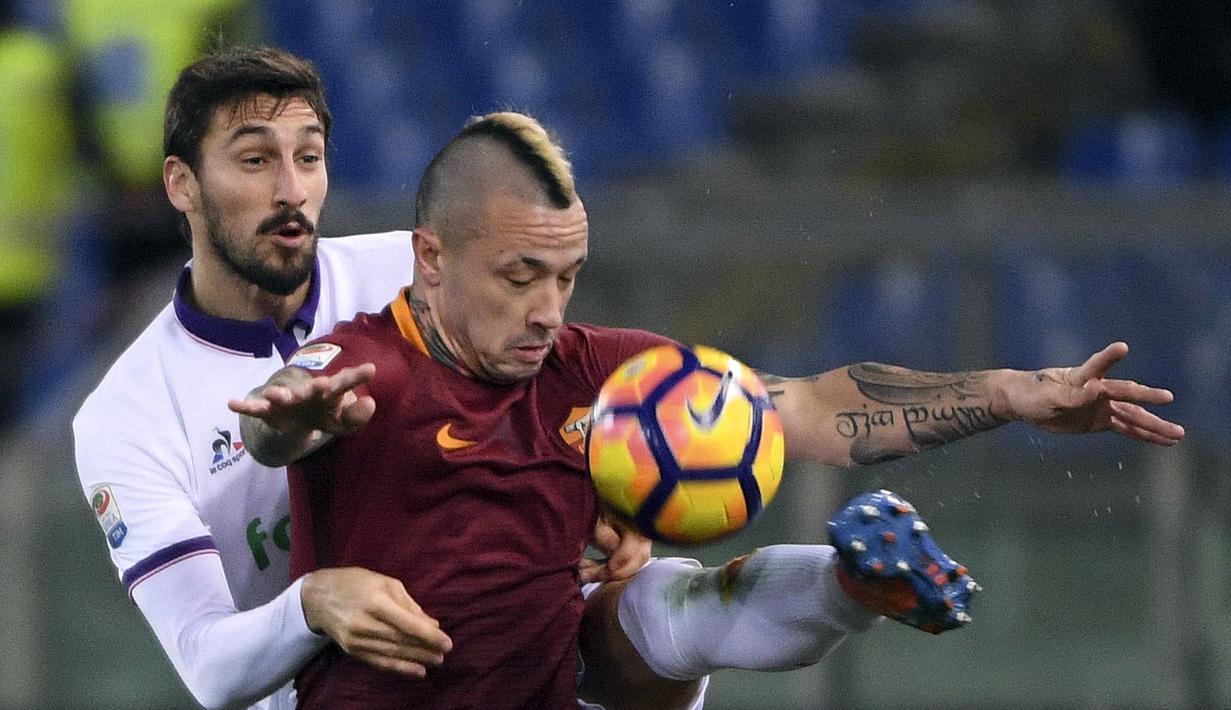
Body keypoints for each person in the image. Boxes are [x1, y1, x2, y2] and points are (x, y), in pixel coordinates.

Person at [231, 111, 1184, 709]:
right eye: (519, 277)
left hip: (565, 686)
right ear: (430, 260)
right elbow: (275, 419)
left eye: (566, 276)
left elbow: (807, 406)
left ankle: (853, 586)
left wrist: (1011, 393)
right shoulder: (367, 366)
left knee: (652, 596)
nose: (546, 310)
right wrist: (292, 417)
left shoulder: (597, 374)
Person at [73, 47, 648, 710]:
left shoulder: (414, 273)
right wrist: (312, 604)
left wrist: (607, 500)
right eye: (255, 160)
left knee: (663, 602)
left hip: (508, 672)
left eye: (309, 157)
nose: (290, 189)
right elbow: (210, 669)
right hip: (328, 697)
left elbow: (548, 395)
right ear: (182, 184)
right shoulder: (127, 414)